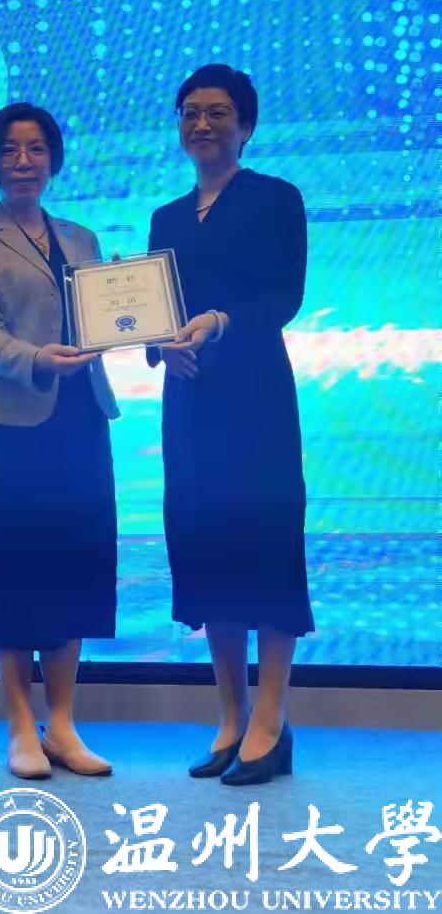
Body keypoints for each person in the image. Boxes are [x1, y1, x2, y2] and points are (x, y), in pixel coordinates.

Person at [148, 63, 312, 786]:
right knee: (206, 545)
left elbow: (283, 296)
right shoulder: (166, 217)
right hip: (189, 399)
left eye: (216, 112)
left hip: (255, 398)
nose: (201, 124)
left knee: (266, 545)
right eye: (189, 112)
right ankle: (229, 717)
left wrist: (218, 321)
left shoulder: (276, 198)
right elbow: (150, 312)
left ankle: (270, 720)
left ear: (245, 125)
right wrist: (160, 346)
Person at [0, 102, 120, 780]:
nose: (23, 161)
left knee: (74, 565)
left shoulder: (82, 238)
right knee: (14, 569)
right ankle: (20, 723)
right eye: (10, 150)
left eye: (36, 149)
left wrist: (136, 324)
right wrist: (37, 361)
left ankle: (64, 723)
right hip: (8, 426)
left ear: (53, 159)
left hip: (80, 419)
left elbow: (105, 317)